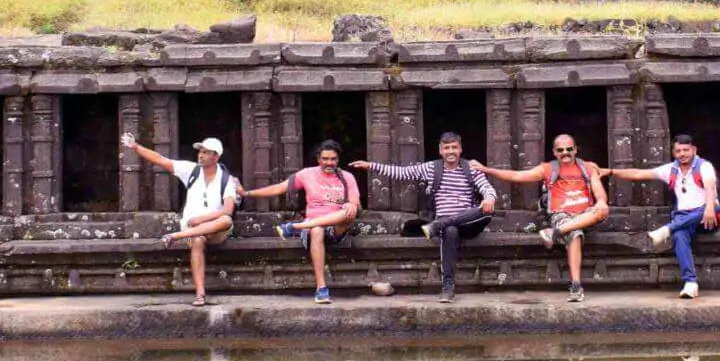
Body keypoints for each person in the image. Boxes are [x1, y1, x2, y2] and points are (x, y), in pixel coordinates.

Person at [355, 133, 497, 303]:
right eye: (446, 148)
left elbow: (488, 189)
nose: (450, 151)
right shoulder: (432, 168)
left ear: (460, 149)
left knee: (487, 210)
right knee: (450, 230)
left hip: (468, 221)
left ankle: (437, 226)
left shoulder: (471, 168)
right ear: (440, 151)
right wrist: (371, 165)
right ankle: (448, 286)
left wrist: (489, 198)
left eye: (454, 147)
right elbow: (402, 173)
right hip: (448, 225)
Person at [476, 133, 610, 303]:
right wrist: (487, 170)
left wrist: (601, 202)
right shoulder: (548, 169)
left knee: (602, 209)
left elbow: (600, 195)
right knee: (575, 233)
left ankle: (554, 233)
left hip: (585, 214)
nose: (565, 153)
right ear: (554, 152)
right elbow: (518, 176)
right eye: (560, 150)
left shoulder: (588, 168)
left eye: (569, 149)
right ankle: (576, 285)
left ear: (575, 150)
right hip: (561, 214)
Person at [122, 131, 238, 307]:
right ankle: (200, 294)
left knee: (227, 221)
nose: (200, 154)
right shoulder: (191, 171)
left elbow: (227, 210)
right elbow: (160, 159)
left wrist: (201, 219)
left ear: (216, 156)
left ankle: (176, 236)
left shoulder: (226, 180)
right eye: (200, 151)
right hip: (195, 231)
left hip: (215, 230)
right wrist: (135, 146)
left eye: (206, 152)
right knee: (198, 241)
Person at [244, 138, 363, 304]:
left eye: (333, 159)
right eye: (325, 159)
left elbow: (354, 203)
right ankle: (321, 288)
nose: (329, 163)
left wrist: (350, 204)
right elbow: (279, 188)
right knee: (317, 230)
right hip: (313, 228)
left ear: (338, 159)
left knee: (351, 212)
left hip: (336, 227)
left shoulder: (347, 177)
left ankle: (295, 227)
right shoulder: (307, 174)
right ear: (318, 159)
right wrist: (248, 194)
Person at [610, 134, 720, 299]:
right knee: (679, 235)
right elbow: (640, 174)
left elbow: (710, 187)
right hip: (685, 219)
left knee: (701, 210)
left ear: (694, 150)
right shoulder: (671, 169)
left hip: (706, 216)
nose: (682, 154)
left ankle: (667, 229)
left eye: (686, 150)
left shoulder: (704, 166)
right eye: (678, 151)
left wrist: (710, 207)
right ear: (673, 152)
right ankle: (690, 283)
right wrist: (611, 171)